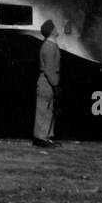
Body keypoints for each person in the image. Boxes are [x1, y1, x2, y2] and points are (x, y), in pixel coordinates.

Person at [33, 19, 61, 148]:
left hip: (49, 80)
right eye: (55, 27)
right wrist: (55, 85)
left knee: (48, 110)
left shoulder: (50, 45)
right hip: (48, 81)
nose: (57, 29)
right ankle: (40, 137)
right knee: (44, 109)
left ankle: (47, 136)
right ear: (52, 31)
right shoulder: (49, 46)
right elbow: (49, 69)